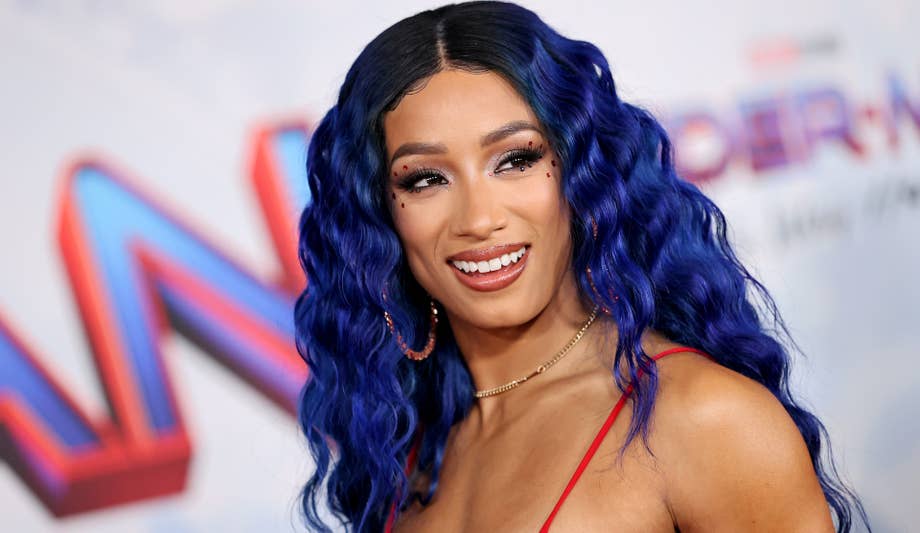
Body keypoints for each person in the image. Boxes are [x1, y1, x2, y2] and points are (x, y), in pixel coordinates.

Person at [294, 2, 867, 531]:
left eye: (515, 160)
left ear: (581, 170)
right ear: (380, 211)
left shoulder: (703, 417)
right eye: (425, 179)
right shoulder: (401, 449)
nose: (478, 218)